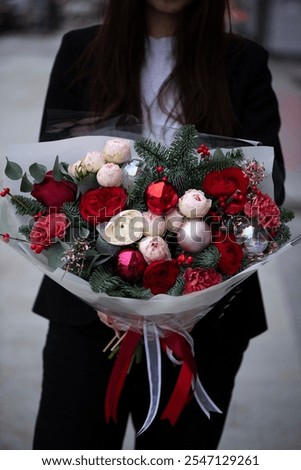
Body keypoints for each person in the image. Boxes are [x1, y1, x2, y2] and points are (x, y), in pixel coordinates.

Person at [32, 0, 285, 450]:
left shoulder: (242, 61)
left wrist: (195, 291)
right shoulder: (81, 50)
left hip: (206, 317)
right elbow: (54, 180)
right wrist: (101, 285)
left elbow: (268, 187)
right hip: (89, 316)